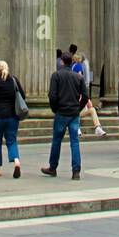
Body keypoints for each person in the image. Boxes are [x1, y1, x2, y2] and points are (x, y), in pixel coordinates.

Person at [41, 51, 86, 180]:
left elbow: (52, 95)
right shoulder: (79, 77)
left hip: (61, 111)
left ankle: (53, 167)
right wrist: (79, 108)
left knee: (56, 140)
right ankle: (76, 171)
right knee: (75, 142)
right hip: (73, 113)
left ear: (61, 61)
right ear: (71, 62)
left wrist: (55, 109)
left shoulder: (56, 75)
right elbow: (86, 96)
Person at [0, 60, 23, 178]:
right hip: (12, 116)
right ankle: (16, 160)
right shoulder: (13, 80)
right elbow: (23, 95)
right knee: (11, 140)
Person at [72, 54, 106, 137]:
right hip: (72, 113)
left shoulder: (81, 89)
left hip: (78, 112)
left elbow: (89, 104)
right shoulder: (78, 67)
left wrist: (87, 102)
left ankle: (98, 128)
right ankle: (76, 128)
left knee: (92, 110)